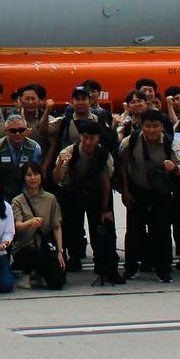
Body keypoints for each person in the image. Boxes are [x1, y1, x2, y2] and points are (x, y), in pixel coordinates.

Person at [52, 121, 121, 283]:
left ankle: (105, 265)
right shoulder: (69, 152)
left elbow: (105, 182)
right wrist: (61, 164)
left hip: (96, 195)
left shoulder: (104, 155)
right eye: (85, 137)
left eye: (92, 138)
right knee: (71, 229)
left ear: (98, 138)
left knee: (103, 230)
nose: (88, 142)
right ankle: (73, 259)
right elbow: (57, 180)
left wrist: (105, 209)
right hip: (72, 193)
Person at [119, 109, 180, 282]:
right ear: (142, 126)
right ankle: (131, 268)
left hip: (160, 194)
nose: (152, 130)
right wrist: (125, 191)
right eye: (148, 126)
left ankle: (164, 270)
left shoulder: (171, 144)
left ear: (162, 126)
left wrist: (176, 169)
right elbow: (123, 166)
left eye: (156, 126)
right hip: (137, 192)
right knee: (133, 232)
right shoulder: (130, 141)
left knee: (161, 231)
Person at [10, 161, 65, 289]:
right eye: (29, 175)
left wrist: (60, 252)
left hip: (45, 246)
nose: (33, 178)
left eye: (36, 174)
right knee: (34, 254)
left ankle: (40, 272)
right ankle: (26, 273)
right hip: (25, 248)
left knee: (58, 282)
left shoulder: (50, 199)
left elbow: (57, 226)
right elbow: (17, 226)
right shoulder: (17, 201)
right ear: (23, 178)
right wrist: (29, 223)